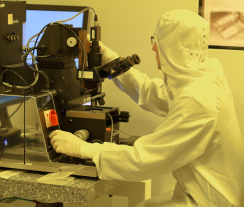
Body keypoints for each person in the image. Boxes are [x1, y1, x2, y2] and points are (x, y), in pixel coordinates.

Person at [49, 9, 244, 207]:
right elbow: (152, 93)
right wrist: (109, 59)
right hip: (196, 193)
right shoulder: (203, 81)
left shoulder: (200, 99)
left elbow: (144, 159)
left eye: (157, 41)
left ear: (173, 48)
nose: (153, 48)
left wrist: (86, 149)